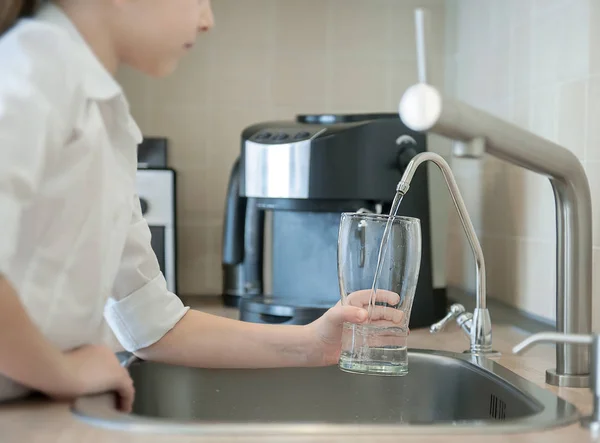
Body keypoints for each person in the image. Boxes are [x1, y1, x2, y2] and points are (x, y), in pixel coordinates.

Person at [0, 0, 399, 413]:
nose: (207, 20)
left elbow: (151, 325)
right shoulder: (32, 66)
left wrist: (312, 344)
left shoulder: (103, 115)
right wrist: (63, 373)